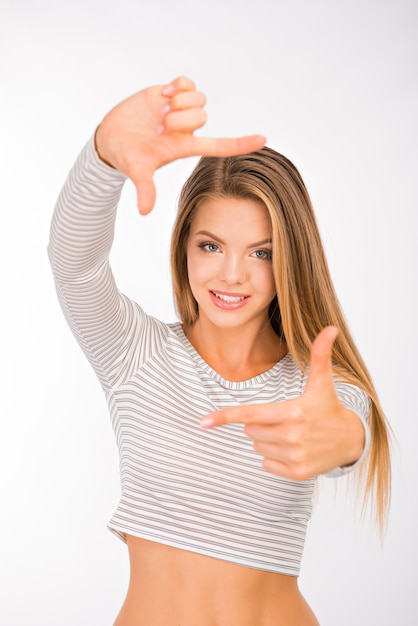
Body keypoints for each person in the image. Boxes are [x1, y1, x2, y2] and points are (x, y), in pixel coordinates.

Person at [48, 76, 391, 626]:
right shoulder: (134, 352)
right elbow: (74, 264)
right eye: (210, 245)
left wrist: (344, 440)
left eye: (261, 252)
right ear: (183, 242)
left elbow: (351, 427)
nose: (232, 274)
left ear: (290, 261)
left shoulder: (317, 388)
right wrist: (102, 158)